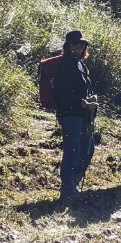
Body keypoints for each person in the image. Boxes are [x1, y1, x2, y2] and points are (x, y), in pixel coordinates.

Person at [53, 30, 97, 202]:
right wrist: (82, 102)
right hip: (70, 113)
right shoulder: (66, 64)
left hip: (81, 113)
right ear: (68, 46)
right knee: (72, 150)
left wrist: (87, 102)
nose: (79, 46)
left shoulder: (79, 63)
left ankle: (73, 182)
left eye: (81, 44)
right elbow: (64, 92)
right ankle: (68, 188)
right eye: (75, 43)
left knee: (87, 147)